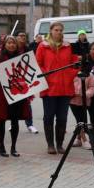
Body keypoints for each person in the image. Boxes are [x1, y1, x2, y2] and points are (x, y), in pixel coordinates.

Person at [36, 22, 77, 154]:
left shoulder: (67, 46)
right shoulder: (43, 46)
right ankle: (50, 145)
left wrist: (71, 74)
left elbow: (73, 64)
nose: (58, 32)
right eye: (56, 30)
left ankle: (59, 144)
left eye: (60, 30)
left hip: (65, 88)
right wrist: (46, 76)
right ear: (51, 31)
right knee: (48, 117)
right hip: (49, 88)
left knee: (62, 118)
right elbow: (38, 64)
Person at [0, 37, 33, 157]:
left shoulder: (22, 58)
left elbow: (27, 75)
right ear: (5, 45)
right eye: (9, 43)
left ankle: (13, 147)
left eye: (13, 43)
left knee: (15, 120)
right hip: (3, 94)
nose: (11, 45)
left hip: (17, 93)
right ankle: (1, 147)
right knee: (2, 120)